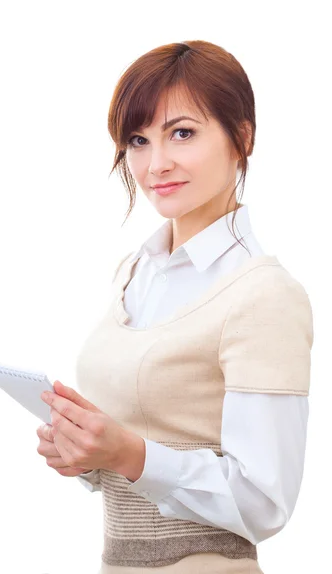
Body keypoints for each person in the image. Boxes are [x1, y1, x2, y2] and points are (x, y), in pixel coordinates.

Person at [36, 40, 314, 574]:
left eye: (182, 133)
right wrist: (86, 451)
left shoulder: (264, 294)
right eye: (137, 141)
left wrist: (125, 453)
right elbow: (144, 439)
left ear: (243, 138)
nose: (155, 164)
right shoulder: (136, 273)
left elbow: (264, 503)